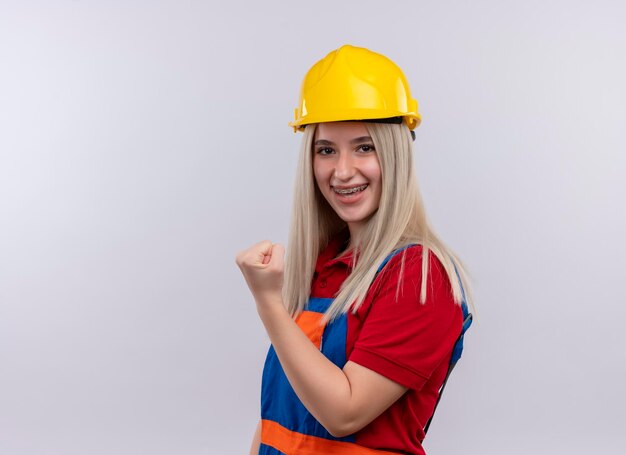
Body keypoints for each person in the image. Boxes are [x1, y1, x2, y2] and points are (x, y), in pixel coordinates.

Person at [236, 44, 473, 455]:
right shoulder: (322, 264)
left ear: (397, 153)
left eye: (365, 147)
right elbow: (277, 418)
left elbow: (344, 413)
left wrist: (268, 303)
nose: (342, 171)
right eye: (326, 150)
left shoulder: (417, 276)